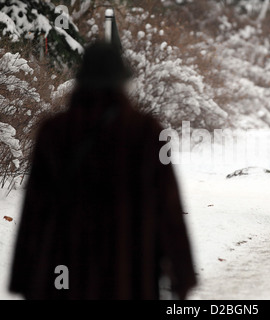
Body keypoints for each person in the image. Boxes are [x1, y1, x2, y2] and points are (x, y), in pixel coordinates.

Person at [9, 42, 196, 299]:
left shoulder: (54, 131)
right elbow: (167, 207)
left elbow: (35, 209)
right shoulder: (145, 131)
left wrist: (24, 277)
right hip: (130, 276)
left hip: (65, 273)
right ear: (121, 81)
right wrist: (182, 273)